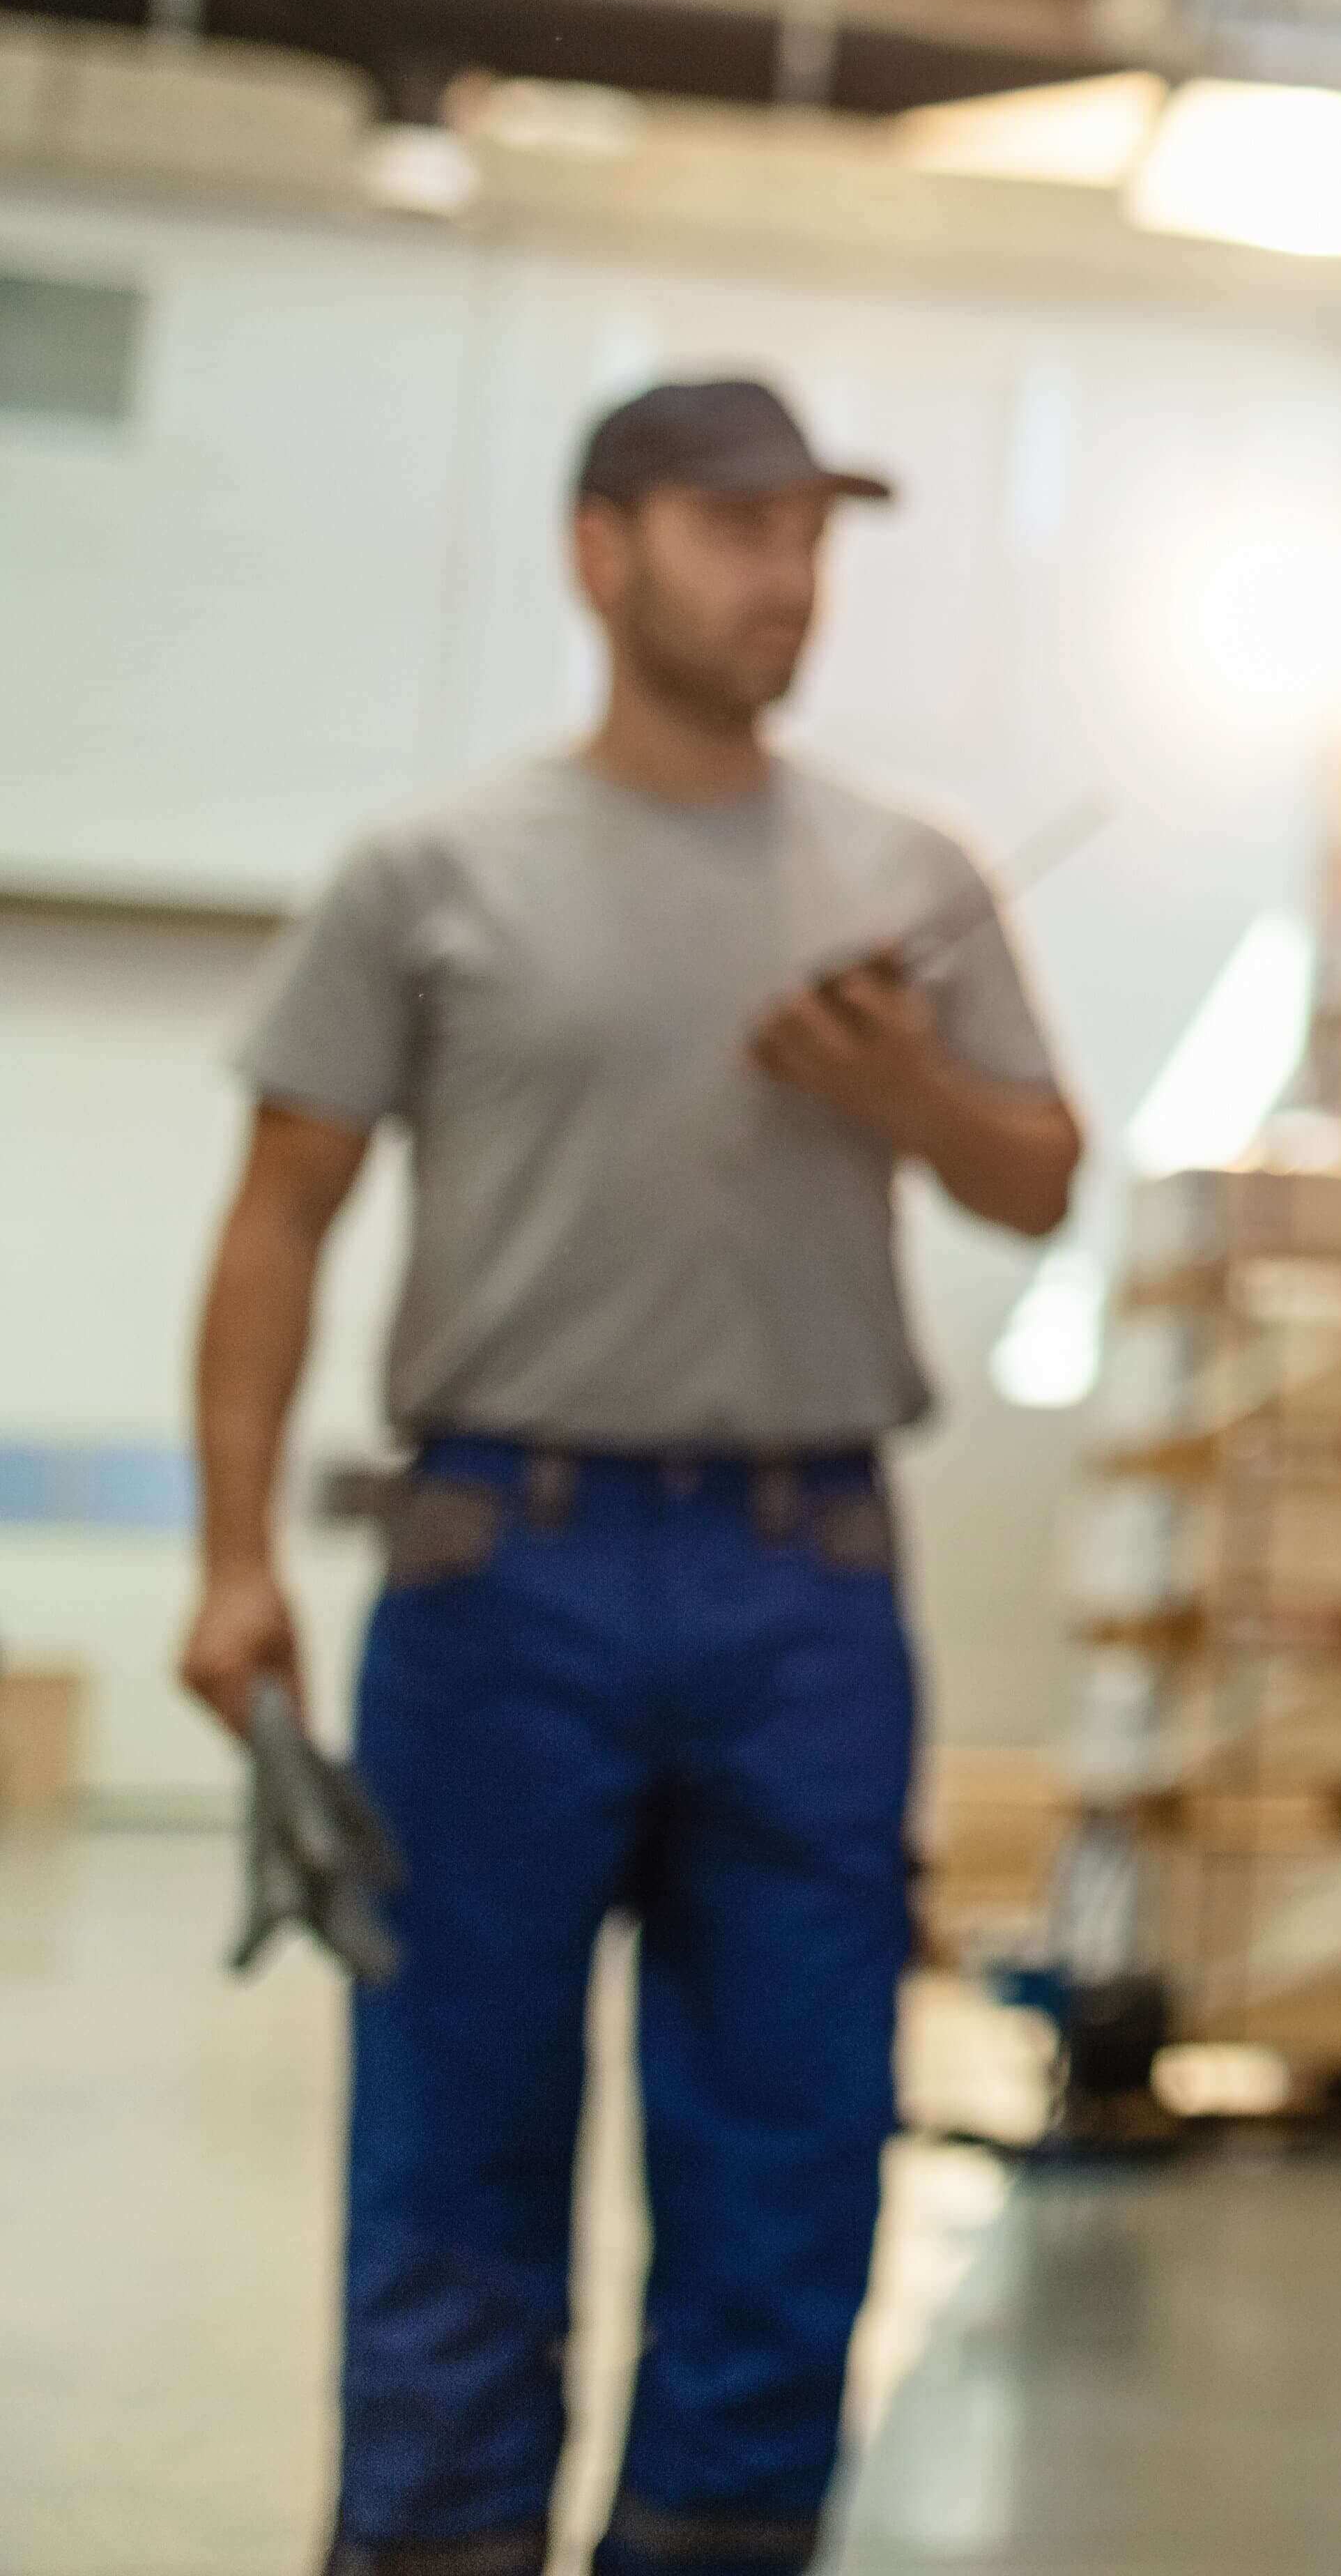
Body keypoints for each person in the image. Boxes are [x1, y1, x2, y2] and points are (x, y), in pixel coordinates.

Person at [183, 373, 1085, 2576]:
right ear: (600, 551)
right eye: (733, 528)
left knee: (793, 2158)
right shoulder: (432, 874)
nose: (787, 578)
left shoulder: (906, 877)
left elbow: (1042, 1177)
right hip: (503, 1578)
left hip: (805, 1593)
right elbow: (280, 1213)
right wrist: (232, 1561)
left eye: (812, 537)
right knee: (455, 2148)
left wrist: (902, 1086)